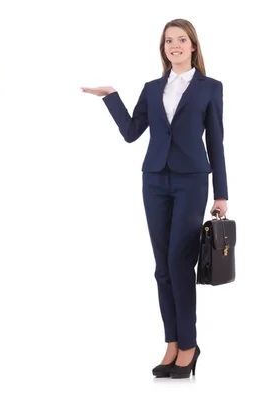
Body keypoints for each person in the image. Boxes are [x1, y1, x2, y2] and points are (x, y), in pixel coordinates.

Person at [82, 19, 228, 378]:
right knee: (162, 267)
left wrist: (221, 192)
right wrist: (110, 97)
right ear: (163, 48)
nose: (174, 46)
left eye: (181, 40)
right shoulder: (152, 88)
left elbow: (216, 142)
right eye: (168, 41)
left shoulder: (210, 87)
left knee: (180, 262)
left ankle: (189, 346)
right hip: (154, 181)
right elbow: (132, 133)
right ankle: (172, 343)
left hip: (192, 181)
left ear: (193, 46)